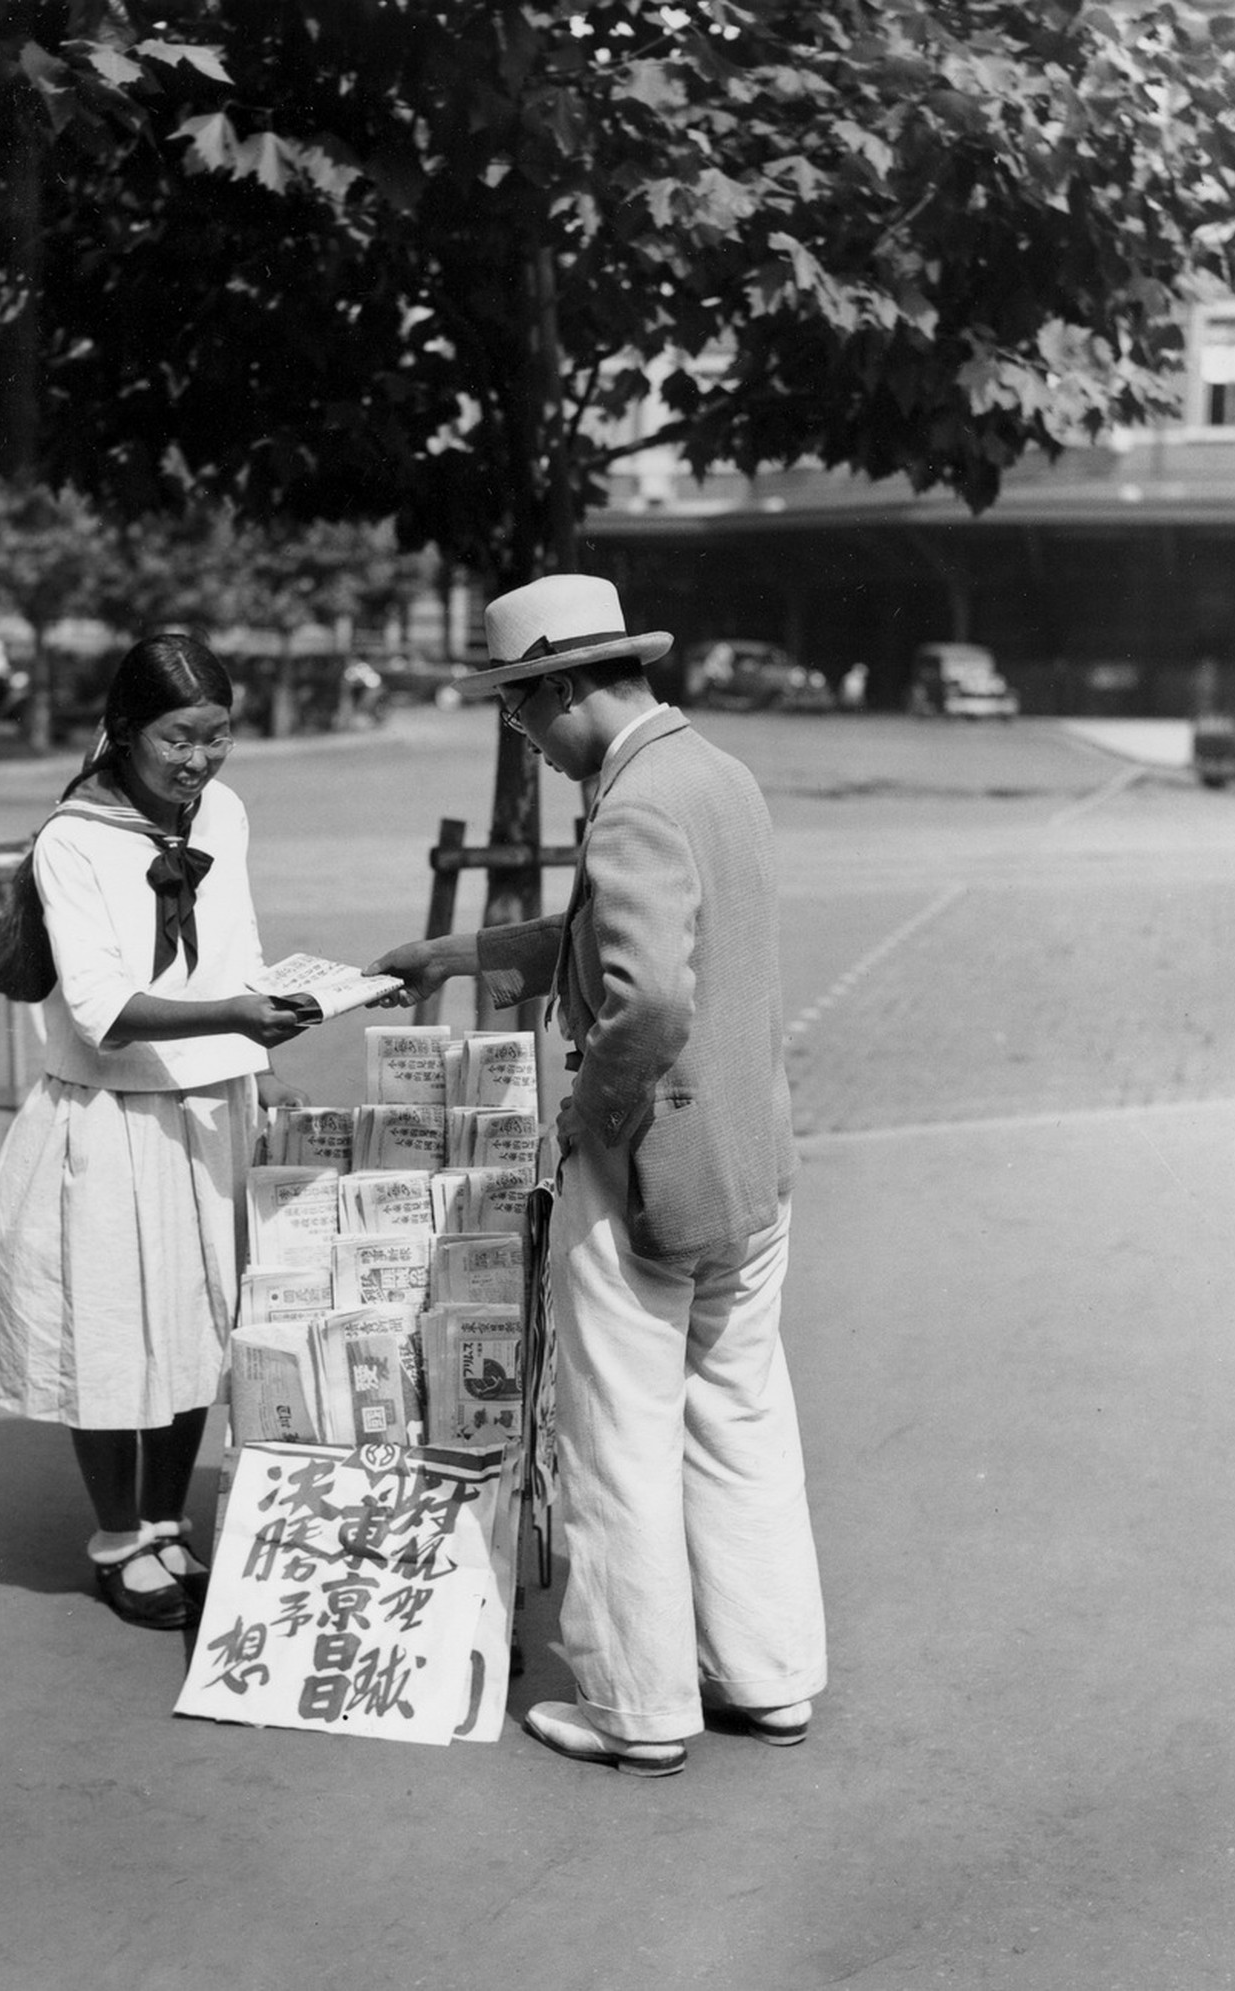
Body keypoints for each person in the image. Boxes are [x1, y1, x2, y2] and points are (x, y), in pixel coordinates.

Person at [368, 573, 826, 1777]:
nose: (522, 739)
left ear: (564, 687)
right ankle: (768, 1676)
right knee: (740, 1417)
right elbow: (622, 940)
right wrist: (457, 951)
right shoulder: (714, 774)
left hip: (647, 1169)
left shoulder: (627, 808)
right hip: (748, 1160)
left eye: (520, 712)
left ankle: (638, 1706)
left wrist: (588, 1109)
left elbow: (650, 997)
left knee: (616, 1432)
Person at [0, 631, 310, 1630]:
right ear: (124, 730)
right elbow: (99, 1008)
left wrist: (267, 1045)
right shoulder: (71, 840)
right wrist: (238, 1018)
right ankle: (118, 1533)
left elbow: (238, 943)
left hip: (214, 1103)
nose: (199, 760)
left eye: (217, 737)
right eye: (179, 738)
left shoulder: (227, 813)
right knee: (113, 1325)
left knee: (203, 1319)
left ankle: (169, 1516)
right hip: (113, 1114)